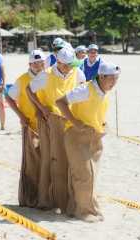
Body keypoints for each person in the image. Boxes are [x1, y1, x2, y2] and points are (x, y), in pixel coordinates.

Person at [56, 61, 120, 223]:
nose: (114, 82)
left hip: (94, 137)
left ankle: (76, 208)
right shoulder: (84, 90)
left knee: (91, 176)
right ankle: (85, 212)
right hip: (76, 136)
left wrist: (102, 120)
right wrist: (75, 123)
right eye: (111, 78)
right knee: (85, 175)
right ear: (101, 76)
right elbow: (60, 102)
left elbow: (97, 107)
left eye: (117, 78)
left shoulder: (107, 90)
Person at [26, 47, 85, 213]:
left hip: (71, 119)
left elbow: (84, 92)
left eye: (73, 65)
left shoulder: (77, 72)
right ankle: (52, 198)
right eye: (67, 65)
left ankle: (71, 198)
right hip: (54, 121)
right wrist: (40, 107)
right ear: (58, 62)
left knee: (72, 159)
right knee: (55, 159)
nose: (71, 68)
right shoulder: (46, 74)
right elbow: (29, 90)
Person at [6, 50, 46, 207]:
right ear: (30, 65)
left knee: (46, 162)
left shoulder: (48, 76)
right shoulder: (23, 80)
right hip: (30, 126)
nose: (39, 67)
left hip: (47, 126)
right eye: (35, 64)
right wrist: (20, 116)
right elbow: (9, 98)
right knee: (31, 163)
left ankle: (45, 198)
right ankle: (30, 199)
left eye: (41, 63)